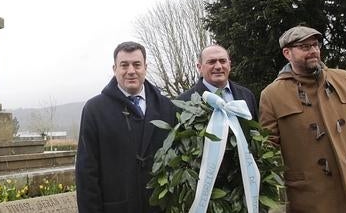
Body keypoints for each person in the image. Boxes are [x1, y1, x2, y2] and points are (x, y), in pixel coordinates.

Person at [260, 25, 346, 212]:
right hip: (309, 197)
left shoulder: (344, 79)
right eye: (304, 47)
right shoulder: (271, 95)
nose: (313, 51)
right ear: (287, 53)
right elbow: (268, 148)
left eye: (315, 45)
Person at [75, 41, 176, 213]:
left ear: (146, 67)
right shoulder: (94, 110)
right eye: (124, 65)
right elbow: (87, 172)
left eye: (137, 64)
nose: (131, 71)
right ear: (115, 69)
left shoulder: (167, 107)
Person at [180, 44, 258, 120]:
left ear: (229, 65)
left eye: (223, 61)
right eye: (211, 62)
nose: (218, 67)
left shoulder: (247, 95)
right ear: (200, 67)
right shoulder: (183, 103)